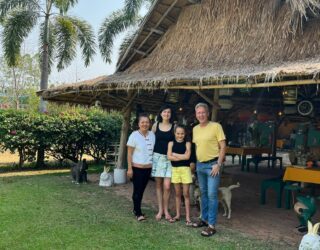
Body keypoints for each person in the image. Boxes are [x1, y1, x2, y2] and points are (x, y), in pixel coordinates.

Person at [192, 103, 226, 237]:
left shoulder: (216, 126)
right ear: (196, 115)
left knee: (212, 195)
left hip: (213, 165)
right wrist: (195, 163)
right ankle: (203, 219)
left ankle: (211, 226)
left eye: (203, 112)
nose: (200, 115)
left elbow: (223, 147)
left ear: (207, 113)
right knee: (203, 194)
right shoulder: (195, 129)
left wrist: (218, 164)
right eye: (198, 113)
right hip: (200, 165)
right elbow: (197, 148)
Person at [127, 113, 155, 222]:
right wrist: (129, 168)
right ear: (138, 124)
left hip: (148, 169)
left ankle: (135, 209)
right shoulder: (134, 135)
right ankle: (138, 213)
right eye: (142, 122)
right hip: (137, 168)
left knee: (142, 190)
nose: (145, 124)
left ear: (150, 123)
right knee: (137, 190)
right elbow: (129, 153)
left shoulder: (152, 135)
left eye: (147, 122)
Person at [152, 105, 175, 221]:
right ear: (160, 113)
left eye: (168, 112)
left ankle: (166, 210)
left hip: (169, 159)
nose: (166, 114)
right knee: (158, 185)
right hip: (156, 157)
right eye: (164, 111)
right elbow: (151, 141)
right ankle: (160, 210)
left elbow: (178, 141)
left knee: (167, 186)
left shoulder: (174, 127)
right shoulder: (155, 125)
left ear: (171, 114)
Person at [167, 125, 192, 226]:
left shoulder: (188, 143)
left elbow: (188, 157)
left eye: (182, 133)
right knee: (177, 194)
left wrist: (175, 154)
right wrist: (181, 156)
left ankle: (187, 217)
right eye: (178, 133)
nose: (180, 135)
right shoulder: (171, 143)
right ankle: (177, 215)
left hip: (185, 170)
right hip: (175, 170)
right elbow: (169, 156)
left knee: (186, 194)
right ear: (174, 133)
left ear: (185, 134)